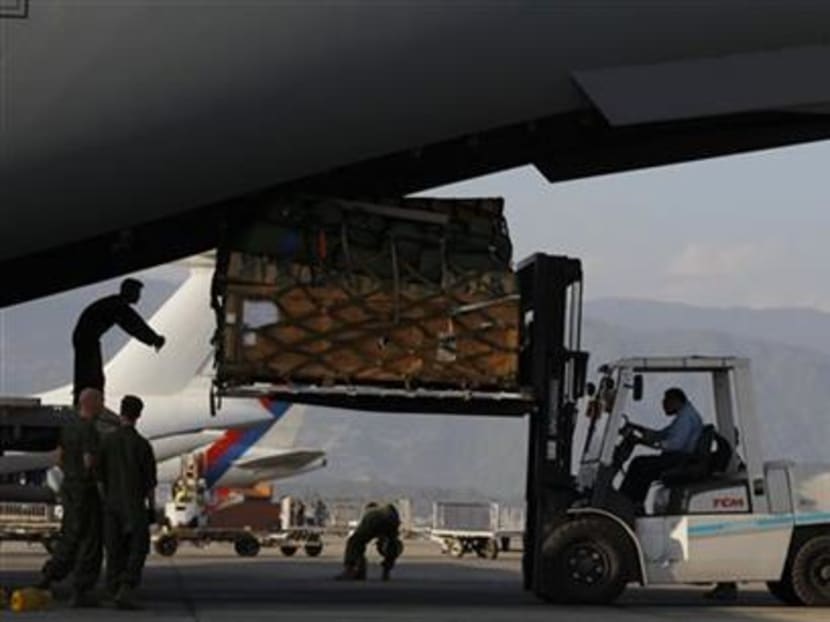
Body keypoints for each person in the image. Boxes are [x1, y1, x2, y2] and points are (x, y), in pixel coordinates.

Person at [38, 388, 105, 607]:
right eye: (100, 401)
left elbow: (59, 458)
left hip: (70, 487)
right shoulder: (88, 429)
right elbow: (88, 461)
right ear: (91, 403)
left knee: (70, 535)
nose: (102, 405)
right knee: (90, 540)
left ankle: (49, 576)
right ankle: (81, 590)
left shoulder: (68, 427)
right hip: (84, 489)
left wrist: (70, 472)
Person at [97, 395, 157, 610]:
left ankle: (112, 590)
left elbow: (99, 477)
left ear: (121, 412)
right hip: (134, 505)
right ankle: (127, 588)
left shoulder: (106, 442)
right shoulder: (142, 445)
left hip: (112, 504)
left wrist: (105, 501)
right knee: (138, 548)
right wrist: (152, 508)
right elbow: (150, 483)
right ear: (138, 415)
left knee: (114, 550)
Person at [72, 278, 165, 405]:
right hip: (87, 340)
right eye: (137, 292)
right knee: (92, 378)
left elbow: (133, 323)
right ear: (130, 292)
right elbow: (134, 324)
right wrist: (155, 339)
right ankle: (86, 404)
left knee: (89, 377)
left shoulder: (115, 303)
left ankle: (84, 402)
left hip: (85, 339)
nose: (139, 296)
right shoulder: (118, 306)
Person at [619, 387, 704, 512]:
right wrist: (637, 428)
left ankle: (629, 504)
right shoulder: (684, 415)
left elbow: (674, 444)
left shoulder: (686, 418)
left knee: (640, 464)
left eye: (666, 401)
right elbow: (661, 434)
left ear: (675, 400)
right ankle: (631, 503)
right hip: (679, 458)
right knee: (641, 464)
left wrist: (644, 442)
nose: (663, 405)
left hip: (680, 459)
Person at [336, 502, 402, 582]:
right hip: (391, 519)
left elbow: (359, 536)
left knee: (355, 542)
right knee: (391, 545)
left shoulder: (370, 513)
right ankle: (386, 571)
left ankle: (351, 570)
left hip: (374, 520)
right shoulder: (386, 509)